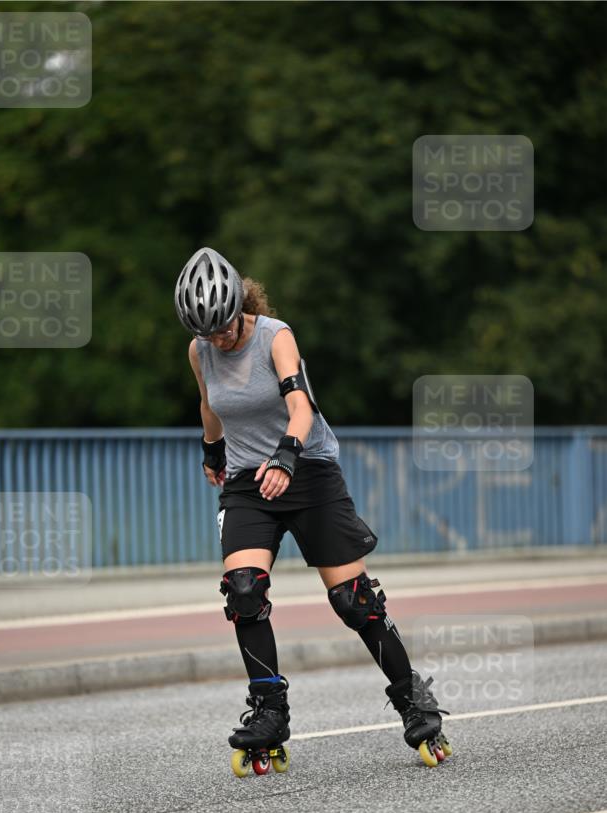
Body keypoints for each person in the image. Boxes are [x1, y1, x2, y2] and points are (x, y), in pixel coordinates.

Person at [176, 247, 450, 773]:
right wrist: (212, 449)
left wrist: (286, 456)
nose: (219, 340)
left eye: (224, 327)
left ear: (239, 306)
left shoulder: (275, 337)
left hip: (307, 470)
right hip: (248, 482)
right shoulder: (200, 350)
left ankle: (415, 704)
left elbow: (300, 406)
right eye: (206, 333)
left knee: (355, 602)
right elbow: (210, 404)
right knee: (244, 592)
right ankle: (269, 712)